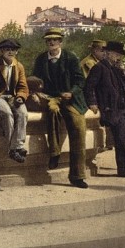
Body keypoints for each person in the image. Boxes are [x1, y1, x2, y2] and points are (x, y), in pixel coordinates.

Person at [32, 28, 89, 188]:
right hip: (52, 98)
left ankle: (77, 176)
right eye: (49, 40)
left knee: (78, 128)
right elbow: (35, 79)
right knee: (52, 109)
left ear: (60, 42)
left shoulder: (70, 57)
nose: (51, 42)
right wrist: (36, 91)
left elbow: (80, 81)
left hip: (72, 99)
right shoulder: (41, 59)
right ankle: (55, 153)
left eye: (55, 40)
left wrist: (71, 92)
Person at [84, 40, 125, 178]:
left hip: (122, 110)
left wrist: (124, 73)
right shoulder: (99, 68)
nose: (119, 57)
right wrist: (92, 103)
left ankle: (123, 169)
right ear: (108, 53)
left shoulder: (115, 69)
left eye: (119, 55)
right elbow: (88, 87)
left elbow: (124, 87)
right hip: (111, 110)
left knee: (122, 140)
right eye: (117, 54)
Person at [81, 39, 114, 151]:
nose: (104, 53)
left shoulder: (98, 62)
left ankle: (109, 143)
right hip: (87, 96)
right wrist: (93, 102)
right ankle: (104, 144)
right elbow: (89, 85)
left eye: (105, 51)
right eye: (102, 51)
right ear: (95, 51)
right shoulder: (89, 63)